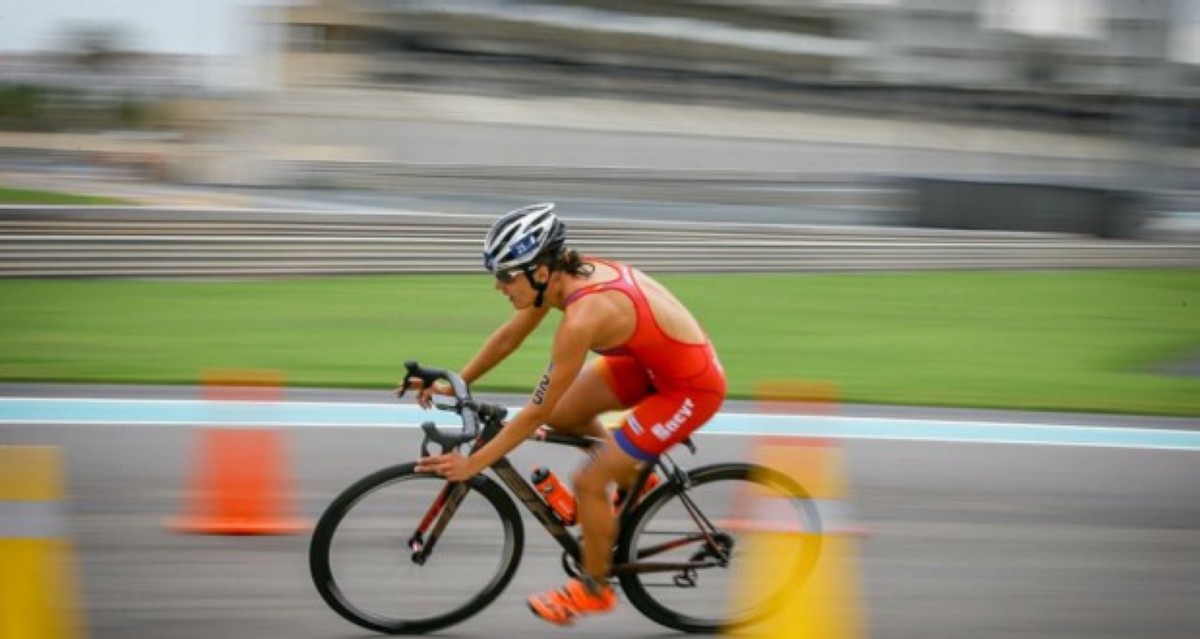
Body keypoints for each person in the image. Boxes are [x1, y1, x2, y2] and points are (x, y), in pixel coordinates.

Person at [404, 202, 727, 627]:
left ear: (539, 269)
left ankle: (595, 591)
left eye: (505, 275)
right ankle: (636, 476)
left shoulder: (583, 316)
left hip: (689, 387)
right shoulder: (557, 279)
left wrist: (473, 463)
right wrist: (455, 384)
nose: (499, 286)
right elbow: (509, 338)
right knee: (566, 414)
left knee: (589, 479)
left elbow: (534, 411)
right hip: (646, 363)